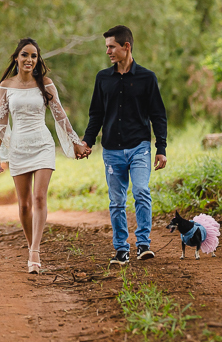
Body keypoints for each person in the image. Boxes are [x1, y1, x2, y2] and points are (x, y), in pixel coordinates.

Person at [0, 38, 87, 274]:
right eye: (25, 55)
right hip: (19, 148)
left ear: (38, 59)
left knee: (39, 197)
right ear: (16, 58)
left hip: (43, 144)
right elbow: (1, 122)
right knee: (24, 205)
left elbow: (60, 115)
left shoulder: (45, 83)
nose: (29, 60)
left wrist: (75, 142)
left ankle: (35, 251)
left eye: (34, 56)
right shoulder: (6, 86)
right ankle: (30, 245)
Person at [76, 25, 167, 266]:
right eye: (106, 47)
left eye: (111, 46)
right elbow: (96, 115)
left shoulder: (147, 78)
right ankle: (121, 249)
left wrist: (161, 148)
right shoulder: (103, 78)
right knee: (116, 201)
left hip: (139, 147)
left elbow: (158, 115)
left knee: (141, 191)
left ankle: (143, 244)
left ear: (126, 46)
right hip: (111, 151)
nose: (107, 51)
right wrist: (87, 141)